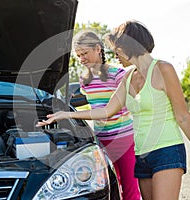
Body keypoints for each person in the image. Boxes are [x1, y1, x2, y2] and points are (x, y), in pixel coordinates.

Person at [37, 20, 190, 200]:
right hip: (142, 154)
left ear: (129, 45)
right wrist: (66, 114)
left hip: (167, 150)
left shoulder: (164, 69)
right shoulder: (128, 78)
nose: (114, 53)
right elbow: (106, 111)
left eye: (116, 47)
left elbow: (183, 117)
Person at [70, 30, 141, 200]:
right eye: (78, 55)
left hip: (124, 139)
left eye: (85, 53)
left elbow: (131, 104)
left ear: (97, 49)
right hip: (101, 142)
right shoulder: (84, 80)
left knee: (129, 187)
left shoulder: (118, 75)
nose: (82, 59)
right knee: (107, 186)